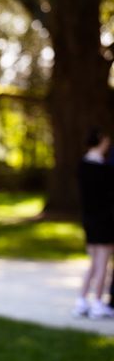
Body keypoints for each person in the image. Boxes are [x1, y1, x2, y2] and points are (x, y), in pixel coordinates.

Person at [73, 128, 114, 319]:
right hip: (104, 219)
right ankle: (97, 302)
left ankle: (82, 300)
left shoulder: (82, 165)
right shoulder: (102, 168)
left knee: (94, 261)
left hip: (89, 218)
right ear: (100, 141)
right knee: (103, 262)